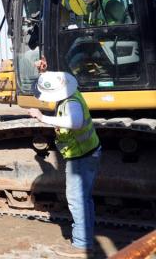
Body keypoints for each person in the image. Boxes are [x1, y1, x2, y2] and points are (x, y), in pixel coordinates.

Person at [29, 71, 101, 258]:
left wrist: (42, 118)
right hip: (87, 152)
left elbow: (75, 122)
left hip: (81, 156)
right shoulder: (69, 94)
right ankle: (86, 239)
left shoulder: (71, 103)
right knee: (84, 199)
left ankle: (82, 245)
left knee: (77, 199)